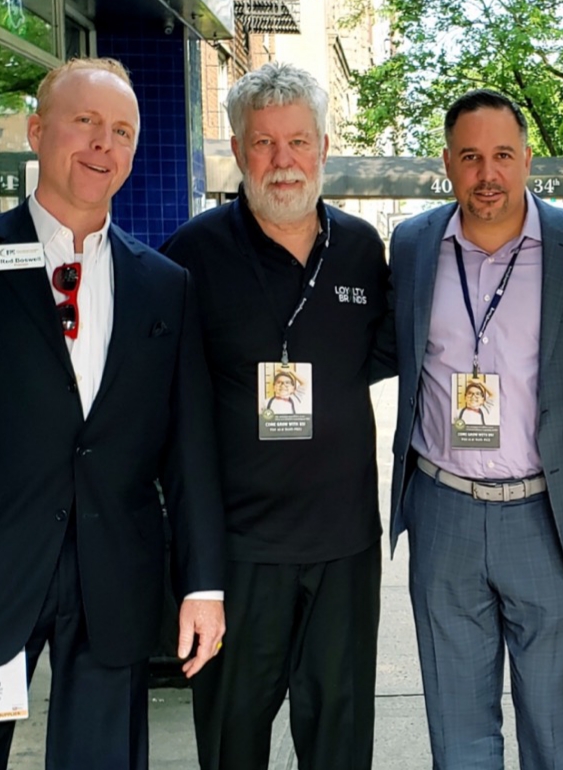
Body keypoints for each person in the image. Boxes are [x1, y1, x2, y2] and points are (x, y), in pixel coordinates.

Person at [161, 62, 395, 770]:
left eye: (298, 141)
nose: (282, 160)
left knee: (339, 742)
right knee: (232, 743)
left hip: (343, 548)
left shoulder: (362, 248)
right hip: (239, 554)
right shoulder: (190, 256)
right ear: (237, 150)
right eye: (263, 143)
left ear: (323, 146)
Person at [0, 57, 225, 770]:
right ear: (38, 132)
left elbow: (189, 450)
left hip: (115, 575)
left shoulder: (164, 285)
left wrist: (202, 583)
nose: (105, 143)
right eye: (86, 122)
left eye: (122, 130)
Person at [389, 88, 563, 769]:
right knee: (457, 729)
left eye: (502, 156)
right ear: (447, 163)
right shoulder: (412, 245)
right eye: (469, 157)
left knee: (554, 724)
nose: (487, 174)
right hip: (445, 514)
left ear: (526, 159)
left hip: (544, 516)